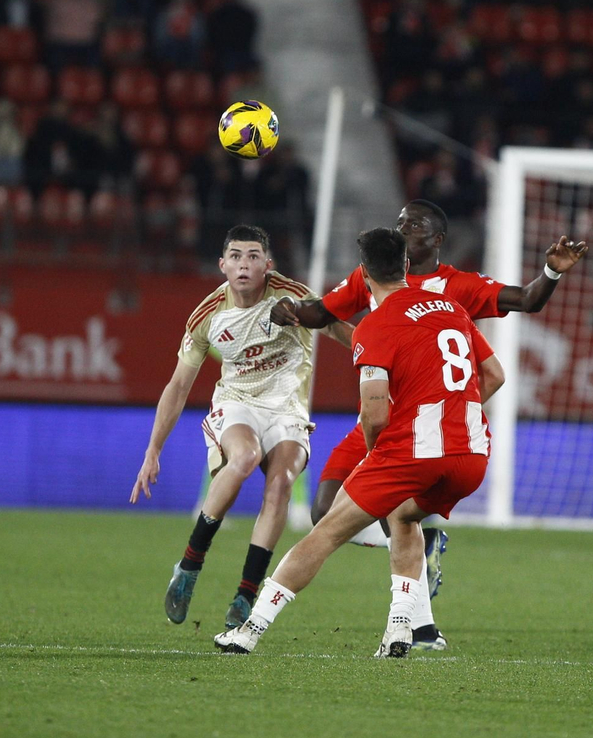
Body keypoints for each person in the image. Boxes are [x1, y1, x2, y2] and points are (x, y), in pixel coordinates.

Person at [271, 199, 588, 647]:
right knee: (326, 509)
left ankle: (418, 626)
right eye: (400, 222)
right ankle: (420, 603)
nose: (403, 229)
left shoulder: (457, 286)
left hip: (423, 429)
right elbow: (325, 314)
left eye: (414, 224)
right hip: (381, 408)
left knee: (391, 515)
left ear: (438, 239)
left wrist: (551, 273)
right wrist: (290, 309)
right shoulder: (374, 274)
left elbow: (525, 305)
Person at [214, 227, 499, 657]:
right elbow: (493, 375)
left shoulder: (376, 325)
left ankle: (249, 631)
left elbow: (376, 411)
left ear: (364, 275)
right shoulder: (452, 308)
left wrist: (375, 453)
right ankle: (401, 627)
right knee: (403, 518)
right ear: (406, 266)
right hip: (473, 456)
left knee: (324, 531)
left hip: (414, 451)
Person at [130, 225, 352, 631]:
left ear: (268, 265)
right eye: (235, 256)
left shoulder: (293, 295)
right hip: (237, 404)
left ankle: (246, 593)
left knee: (282, 481)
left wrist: (377, 356)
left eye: (253, 256)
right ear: (222, 265)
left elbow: (336, 326)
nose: (244, 264)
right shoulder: (208, 315)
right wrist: (152, 450)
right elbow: (178, 385)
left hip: (287, 409)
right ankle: (189, 566)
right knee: (246, 456)